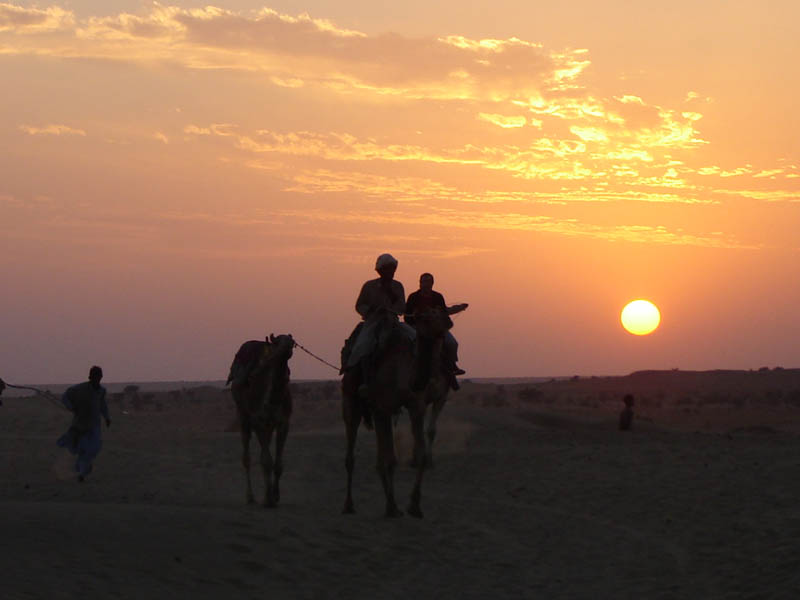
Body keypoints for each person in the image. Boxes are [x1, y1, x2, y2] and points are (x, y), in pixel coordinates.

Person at [342, 253, 413, 399]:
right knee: (362, 346)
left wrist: (392, 307)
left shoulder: (398, 286)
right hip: (373, 322)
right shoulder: (369, 286)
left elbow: (401, 306)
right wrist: (371, 310)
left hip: (392, 322)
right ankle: (365, 382)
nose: (391, 272)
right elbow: (359, 305)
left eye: (393, 269)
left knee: (414, 338)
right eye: (388, 269)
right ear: (380, 270)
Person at [405, 272, 468, 389]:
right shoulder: (413, 297)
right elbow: (407, 316)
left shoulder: (438, 297)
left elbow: (444, 314)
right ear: (419, 283)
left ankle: (452, 368)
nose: (425, 284)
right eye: (423, 282)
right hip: (417, 328)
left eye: (428, 282)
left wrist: (457, 309)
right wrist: (418, 317)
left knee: (452, 343)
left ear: (432, 283)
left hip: (436, 328)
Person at [57, 366, 111, 482]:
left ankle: (82, 470)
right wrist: (72, 407)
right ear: (90, 377)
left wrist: (107, 417)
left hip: (95, 426)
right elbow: (65, 397)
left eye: (99, 376)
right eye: (94, 377)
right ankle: (81, 472)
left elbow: (102, 405)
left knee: (93, 449)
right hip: (81, 425)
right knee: (84, 449)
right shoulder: (80, 389)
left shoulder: (101, 391)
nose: (97, 379)